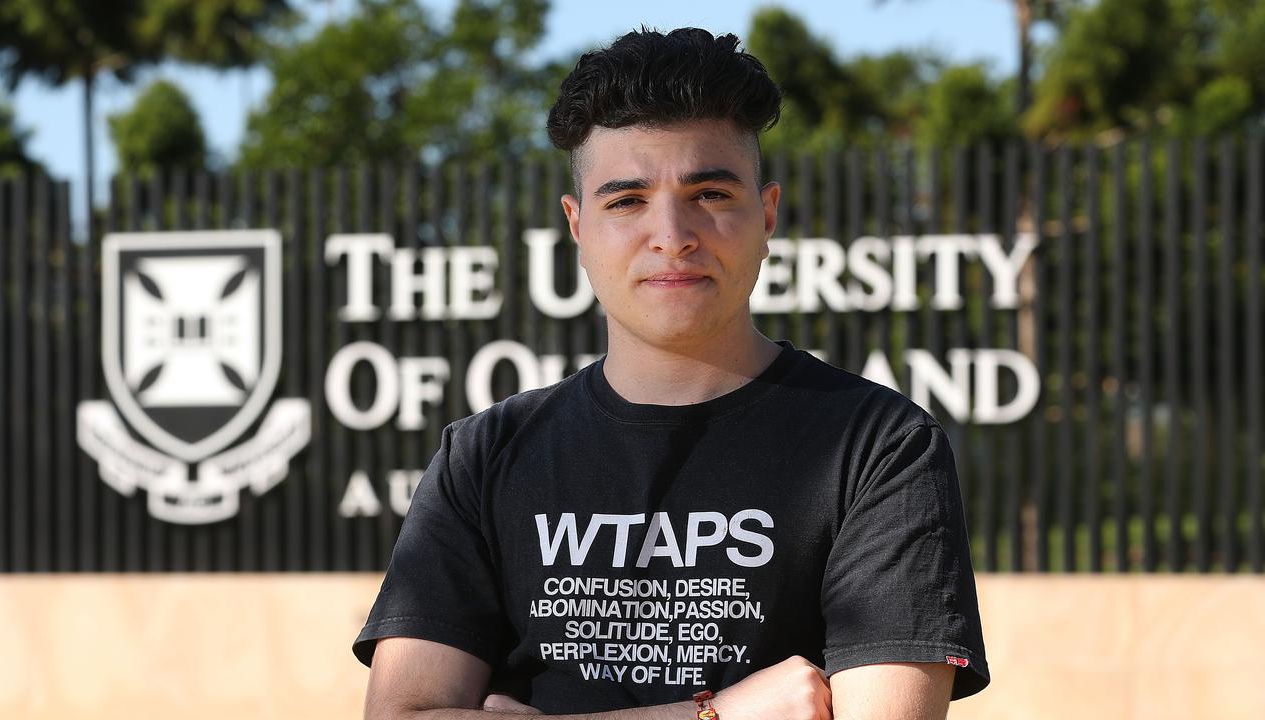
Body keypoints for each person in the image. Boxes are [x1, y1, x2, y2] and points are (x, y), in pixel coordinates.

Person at [354, 27, 988, 720]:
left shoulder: (880, 448)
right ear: (578, 227)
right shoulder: (482, 456)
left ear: (767, 214)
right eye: (626, 201)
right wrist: (713, 715)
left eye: (710, 193)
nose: (672, 235)